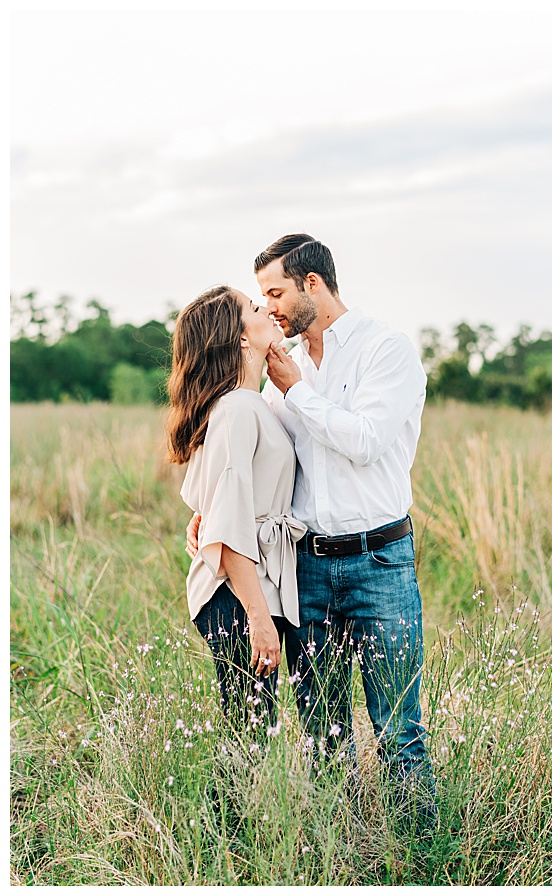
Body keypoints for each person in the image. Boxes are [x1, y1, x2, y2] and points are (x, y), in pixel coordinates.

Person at [188, 235, 436, 826]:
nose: (269, 305)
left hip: (380, 561)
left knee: (399, 724)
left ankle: (419, 854)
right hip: (305, 571)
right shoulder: (276, 373)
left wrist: (295, 388)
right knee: (325, 733)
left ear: (313, 285)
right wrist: (212, 517)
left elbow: (366, 441)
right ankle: (342, 848)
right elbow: (252, 460)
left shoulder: (384, 350)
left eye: (274, 292)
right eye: (261, 298)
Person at [168, 286, 306, 739]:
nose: (266, 308)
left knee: (252, 730)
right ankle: (231, 814)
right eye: (253, 307)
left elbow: (219, 504)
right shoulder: (236, 409)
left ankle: (243, 811)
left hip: (256, 584)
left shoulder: (252, 402)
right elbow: (226, 531)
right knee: (248, 737)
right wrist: (258, 617)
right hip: (237, 593)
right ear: (241, 338)